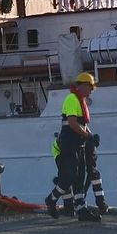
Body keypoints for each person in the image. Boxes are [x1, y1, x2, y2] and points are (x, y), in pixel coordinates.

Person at [44, 71, 101, 222]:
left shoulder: (80, 101)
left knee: (80, 177)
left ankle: (81, 209)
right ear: (82, 86)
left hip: (78, 143)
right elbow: (72, 123)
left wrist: (91, 136)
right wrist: (88, 136)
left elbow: (83, 125)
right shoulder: (72, 99)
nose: (91, 91)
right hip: (69, 142)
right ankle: (51, 199)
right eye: (90, 87)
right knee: (70, 175)